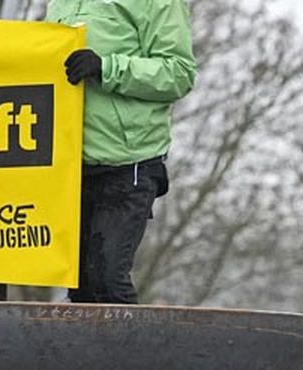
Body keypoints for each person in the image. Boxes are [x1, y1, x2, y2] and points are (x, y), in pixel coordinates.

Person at [45, 0, 196, 305]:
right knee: (82, 288)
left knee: (107, 282)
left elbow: (179, 73)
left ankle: (140, 353)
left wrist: (107, 67)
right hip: (69, 161)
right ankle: (92, 354)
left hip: (129, 162)